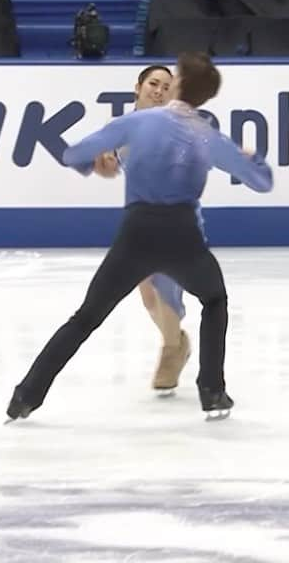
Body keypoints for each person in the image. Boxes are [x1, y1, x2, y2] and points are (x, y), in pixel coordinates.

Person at [6, 52, 274, 422]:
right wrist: (252, 156)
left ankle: (26, 396)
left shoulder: (137, 122)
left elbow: (73, 154)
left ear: (178, 85)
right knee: (214, 300)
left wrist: (92, 163)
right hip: (184, 237)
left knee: (85, 318)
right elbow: (262, 182)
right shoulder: (208, 137)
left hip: (137, 235)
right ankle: (212, 391)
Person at [94, 65, 193, 392]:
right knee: (148, 295)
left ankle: (170, 351)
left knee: (160, 287)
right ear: (138, 87)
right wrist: (105, 163)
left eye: (166, 86)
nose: (159, 90)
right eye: (153, 83)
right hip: (141, 217)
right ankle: (176, 341)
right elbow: (108, 165)